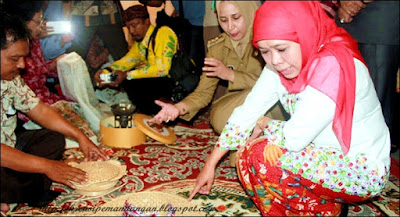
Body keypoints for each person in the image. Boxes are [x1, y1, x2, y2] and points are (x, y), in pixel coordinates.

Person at [188, 1, 390, 216]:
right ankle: (322, 206)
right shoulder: (278, 64)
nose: (275, 60)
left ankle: (323, 210)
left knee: (260, 153)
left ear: (305, 34)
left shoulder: (331, 64)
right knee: (246, 155)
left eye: (282, 49)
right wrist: (210, 164)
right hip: (320, 152)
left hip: (360, 169)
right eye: (264, 51)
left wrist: (265, 123)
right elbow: (247, 112)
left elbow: (294, 139)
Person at [0, 9, 106, 212]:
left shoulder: (11, 78)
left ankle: (18, 189)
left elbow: (39, 109)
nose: (22, 65)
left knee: (53, 139)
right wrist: (46, 166)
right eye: (14, 59)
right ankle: (22, 188)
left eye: (23, 57)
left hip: (10, 147)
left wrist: (80, 136)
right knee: (41, 169)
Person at [150, 1, 284, 135]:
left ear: (250, 12)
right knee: (218, 116)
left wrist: (230, 75)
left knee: (241, 111)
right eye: (223, 20)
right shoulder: (217, 47)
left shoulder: (269, 40)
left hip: (275, 104)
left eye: (236, 18)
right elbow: (204, 92)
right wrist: (178, 108)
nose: (230, 27)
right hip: (240, 102)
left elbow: (279, 84)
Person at [336, 0, 400, 151]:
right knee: (342, 96)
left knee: (375, 100)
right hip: (345, 19)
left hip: (379, 21)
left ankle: (374, 165)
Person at [94, 5, 178, 115]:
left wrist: (127, 75)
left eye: (134, 25)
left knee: (132, 80)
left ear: (147, 21)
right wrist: (105, 72)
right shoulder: (141, 44)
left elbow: (162, 69)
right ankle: (148, 113)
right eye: (128, 27)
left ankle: (160, 112)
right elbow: (126, 61)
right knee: (130, 79)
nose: (132, 31)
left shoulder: (163, 33)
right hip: (159, 83)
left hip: (174, 83)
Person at [5, 0, 68, 116]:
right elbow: (32, 76)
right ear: (23, 21)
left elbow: (41, 70)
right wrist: (53, 65)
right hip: (31, 103)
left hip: (42, 95)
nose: (41, 26)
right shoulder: (12, 45)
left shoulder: (34, 39)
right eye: (38, 22)